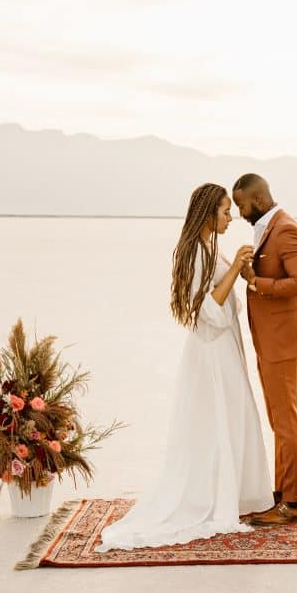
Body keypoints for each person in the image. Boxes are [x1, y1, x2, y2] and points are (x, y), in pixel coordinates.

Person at [93, 183, 273, 553]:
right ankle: (207, 499)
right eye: (225, 212)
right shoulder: (195, 253)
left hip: (225, 348)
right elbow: (206, 309)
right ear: (209, 214)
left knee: (232, 417)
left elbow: (223, 300)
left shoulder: (210, 248)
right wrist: (235, 267)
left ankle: (230, 493)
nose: (229, 218)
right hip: (211, 352)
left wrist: (243, 272)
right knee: (214, 422)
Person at [232, 173, 297, 526]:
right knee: (278, 420)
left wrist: (256, 282)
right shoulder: (268, 227)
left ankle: (293, 503)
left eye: (241, 205)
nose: (239, 212)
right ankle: (282, 493)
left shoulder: (285, 229)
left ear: (258, 199)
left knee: (286, 421)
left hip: (282, 341)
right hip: (270, 339)